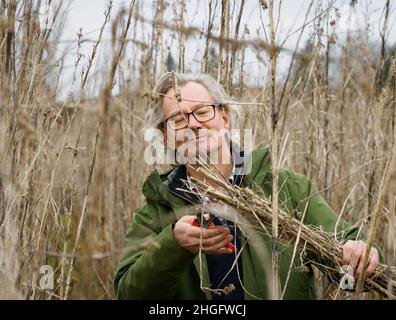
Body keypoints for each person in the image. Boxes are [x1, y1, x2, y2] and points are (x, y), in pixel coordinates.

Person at [114, 72, 380, 300]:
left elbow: (348, 279)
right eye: (178, 120)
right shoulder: (157, 210)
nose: (193, 124)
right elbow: (128, 294)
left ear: (225, 118)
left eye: (203, 112)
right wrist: (173, 245)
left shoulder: (286, 188)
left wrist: (358, 257)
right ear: (166, 136)